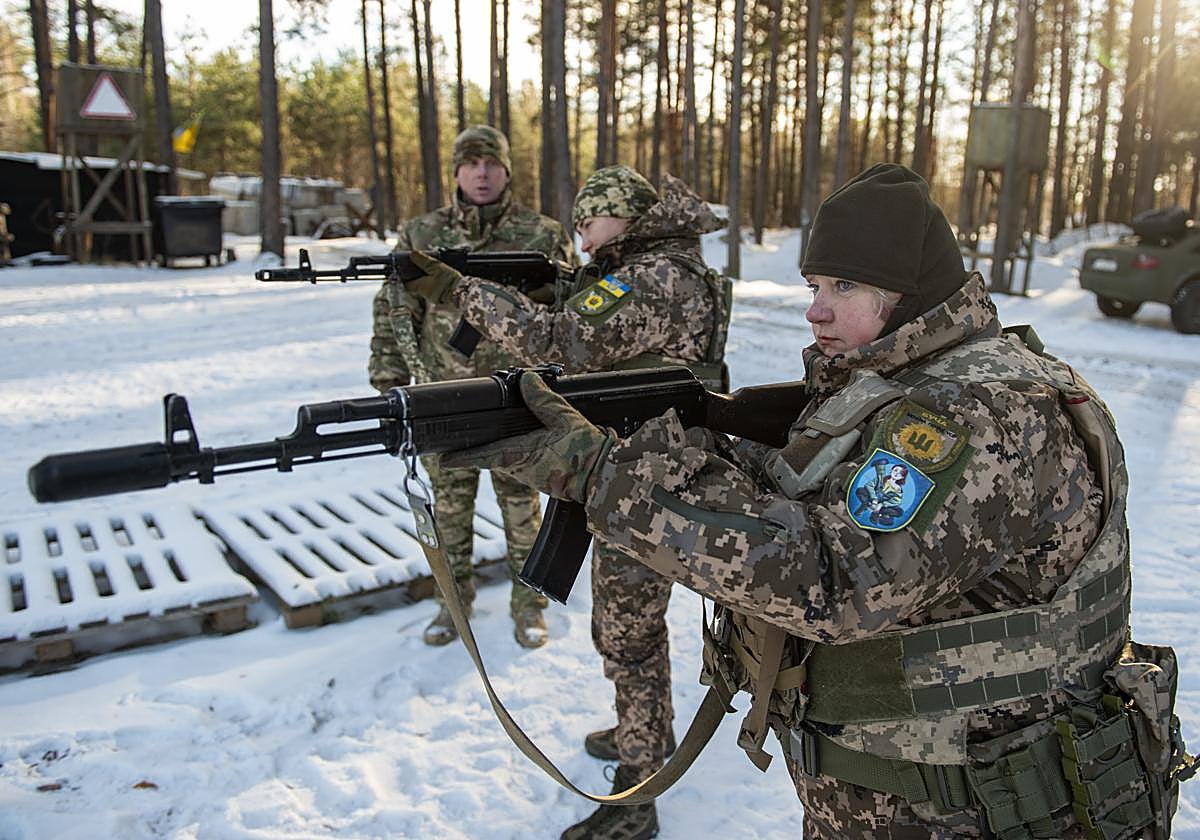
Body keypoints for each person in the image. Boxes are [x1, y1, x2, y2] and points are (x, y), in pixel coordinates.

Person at [436, 163, 1195, 838]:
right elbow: (805, 496)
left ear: (911, 295)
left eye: (845, 287)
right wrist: (672, 448)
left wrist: (605, 477)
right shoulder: (899, 385)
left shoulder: (977, 412)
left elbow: (835, 579)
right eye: (814, 286)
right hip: (913, 793)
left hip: (972, 807)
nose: (815, 311)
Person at [405, 165, 729, 840]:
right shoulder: (655, 271)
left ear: (624, 214)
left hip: (649, 485)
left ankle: (637, 795)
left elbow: (562, 341)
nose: (581, 241)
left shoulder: (653, 278)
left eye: (588, 224)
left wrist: (458, 290)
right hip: (642, 471)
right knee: (626, 629)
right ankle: (646, 730)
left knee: (628, 636)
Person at [368, 124, 577, 649]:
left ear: (507, 170)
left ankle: (529, 606)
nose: (481, 174)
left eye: (491, 164)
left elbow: (570, 314)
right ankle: (452, 605)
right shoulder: (422, 235)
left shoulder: (542, 234)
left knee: (523, 510)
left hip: (521, 400)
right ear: (456, 172)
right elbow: (394, 311)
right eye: (470, 164)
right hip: (444, 397)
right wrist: (390, 382)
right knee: (449, 511)